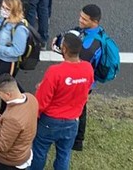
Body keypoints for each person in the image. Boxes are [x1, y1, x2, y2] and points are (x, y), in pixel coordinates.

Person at [30, 32, 94, 170]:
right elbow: (86, 91)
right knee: (64, 155)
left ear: (63, 49)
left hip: (50, 121)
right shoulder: (88, 68)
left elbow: (42, 101)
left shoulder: (55, 71)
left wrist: (34, 115)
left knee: (39, 152)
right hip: (72, 122)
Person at [0, 75, 38, 170]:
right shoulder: (31, 98)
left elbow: (2, 145)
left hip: (10, 162)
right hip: (24, 152)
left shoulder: (12, 118)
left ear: (8, 94)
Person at [0, 0, 29, 81]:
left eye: (7, 9)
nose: (3, 10)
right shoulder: (3, 17)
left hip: (8, 61)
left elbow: (18, 51)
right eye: (2, 7)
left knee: (6, 83)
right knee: (0, 79)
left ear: (14, 11)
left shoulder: (19, 29)